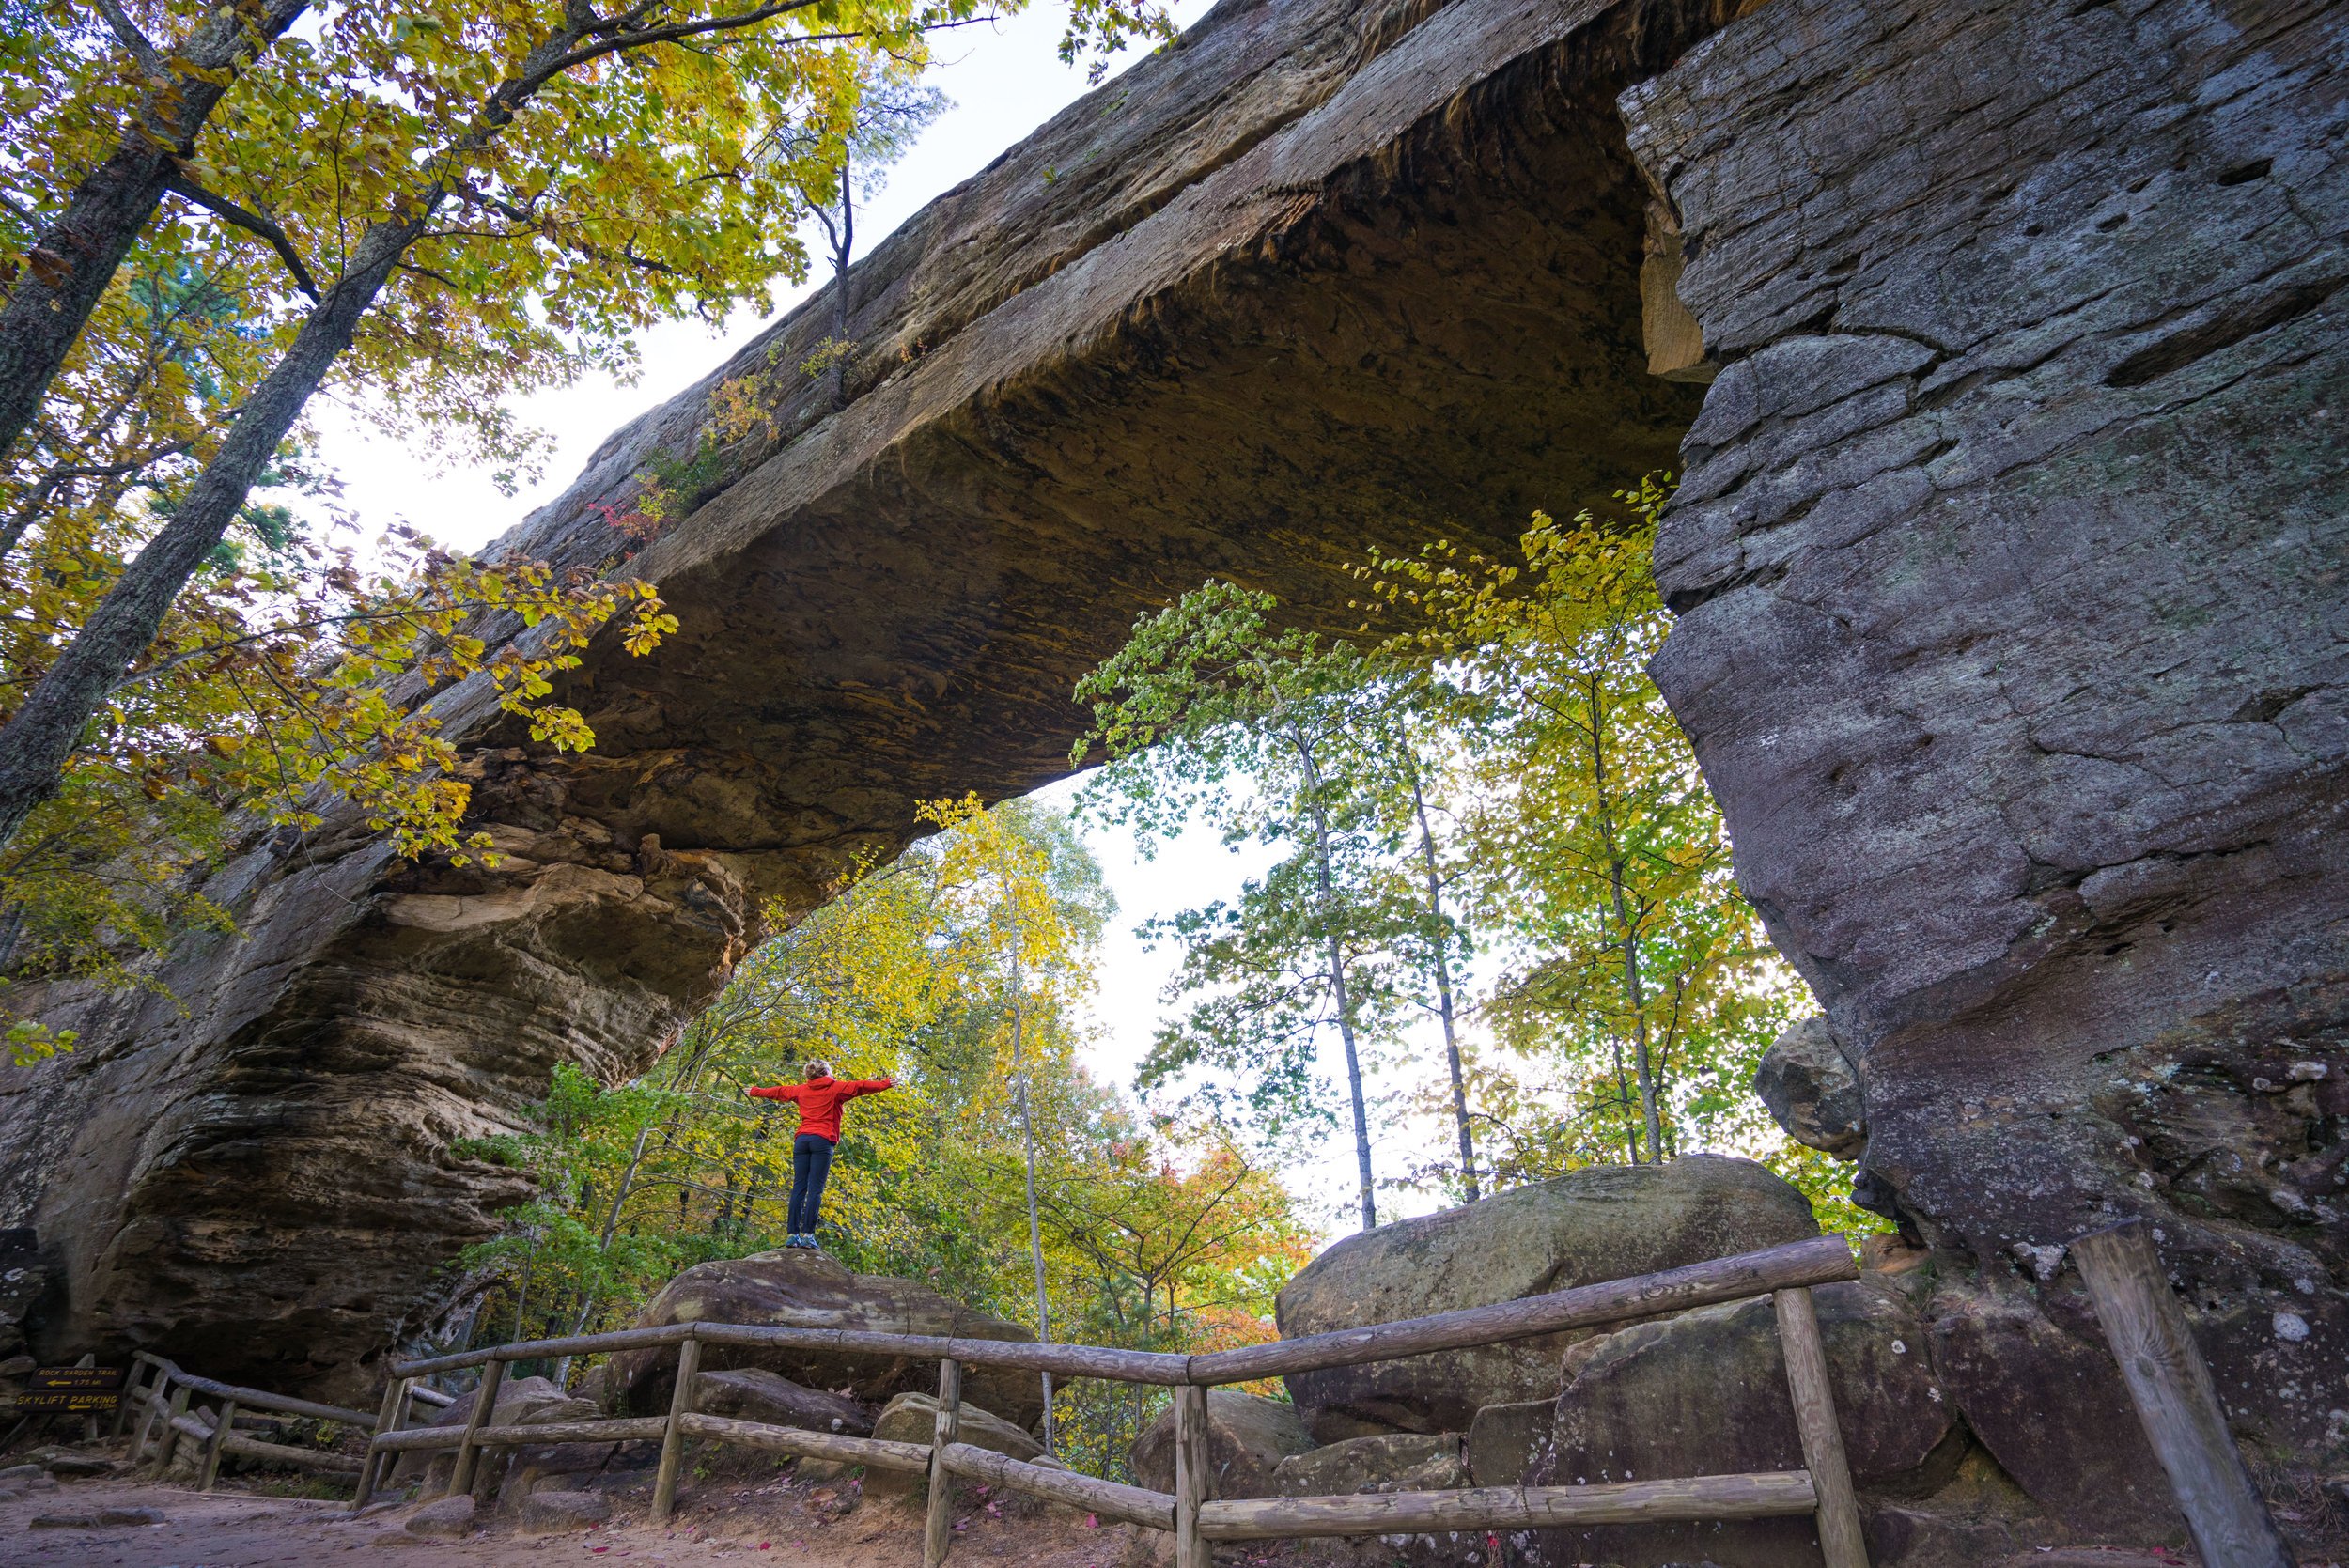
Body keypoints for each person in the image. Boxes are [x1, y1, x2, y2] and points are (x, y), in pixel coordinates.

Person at [745, 1059, 894, 1250]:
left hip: (802, 1141)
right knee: (815, 1189)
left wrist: (755, 1091)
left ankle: (792, 1235)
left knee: (799, 1187)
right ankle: (807, 1236)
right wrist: (886, 1084)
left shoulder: (801, 1090)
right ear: (827, 1073)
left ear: (809, 1074)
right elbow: (861, 1086)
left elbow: (778, 1092)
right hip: (822, 1141)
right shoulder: (835, 1088)